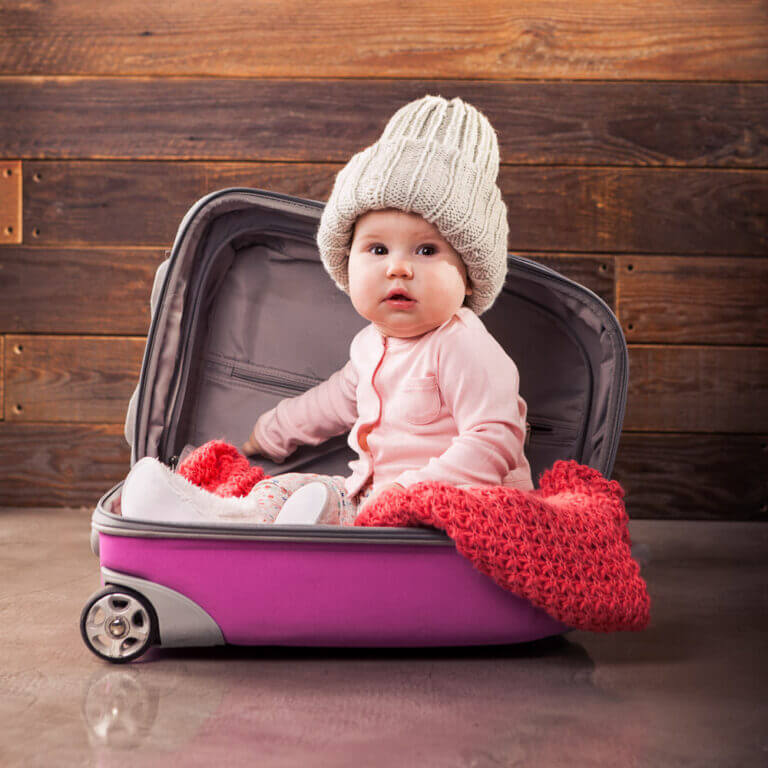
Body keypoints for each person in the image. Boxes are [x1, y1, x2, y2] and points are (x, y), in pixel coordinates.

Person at [121, 94, 533, 527]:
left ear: (469, 278)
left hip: (456, 508)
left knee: (325, 502)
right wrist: (270, 431)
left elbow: (495, 439)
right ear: (346, 262)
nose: (398, 267)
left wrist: (409, 493)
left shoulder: (462, 344)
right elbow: (331, 402)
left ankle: (290, 534)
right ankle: (209, 516)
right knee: (293, 488)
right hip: (370, 497)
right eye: (377, 248)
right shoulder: (370, 345)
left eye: (426, 250)